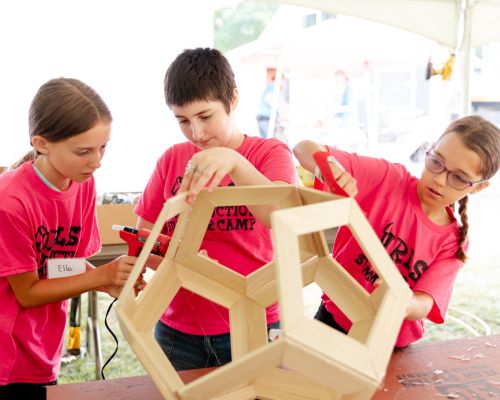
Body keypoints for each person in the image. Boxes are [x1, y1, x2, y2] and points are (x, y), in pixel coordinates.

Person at [134, 47, 297, 370]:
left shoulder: (270, 153)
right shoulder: (171, 159)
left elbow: (276, 215)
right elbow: (145, 238)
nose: (196, 133)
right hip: (178, 330)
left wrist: (235, 163)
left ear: (233, 100)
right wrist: (178, 261)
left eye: (205, 117)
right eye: (182, 120)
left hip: (253, 320)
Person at [293, 115, 500, 348]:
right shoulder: (387, 179)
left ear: (480, 187)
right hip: (335, 319)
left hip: (389, 344)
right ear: (429, 150)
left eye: (459, 178)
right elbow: (302, 148)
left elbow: (426, 301)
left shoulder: (453, 241)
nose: (440, 180)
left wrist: (404, 304)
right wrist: (328, 166)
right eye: (436, 162)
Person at [0, 78, 138, 399]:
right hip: (7, 355)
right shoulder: (10, 202)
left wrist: (105, 280)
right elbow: (28, 293)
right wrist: (99, 275)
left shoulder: (83, 182)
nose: (97, 161)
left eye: (103, 147)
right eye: (83, 151)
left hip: (43, 346)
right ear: (42, 143)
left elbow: (66, 264)